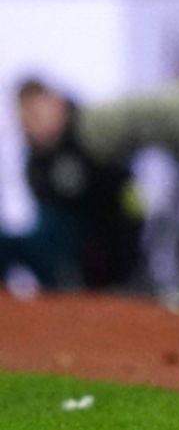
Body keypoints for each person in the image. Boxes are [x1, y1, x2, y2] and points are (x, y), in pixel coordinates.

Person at [0, 80, 143, 292]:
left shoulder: (91, 136)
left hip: (108, 249)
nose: (32, 122)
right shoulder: (36, 164)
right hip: (63, 256)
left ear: (56, 105)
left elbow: (129, 195)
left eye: (37, 113)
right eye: (27, 117)